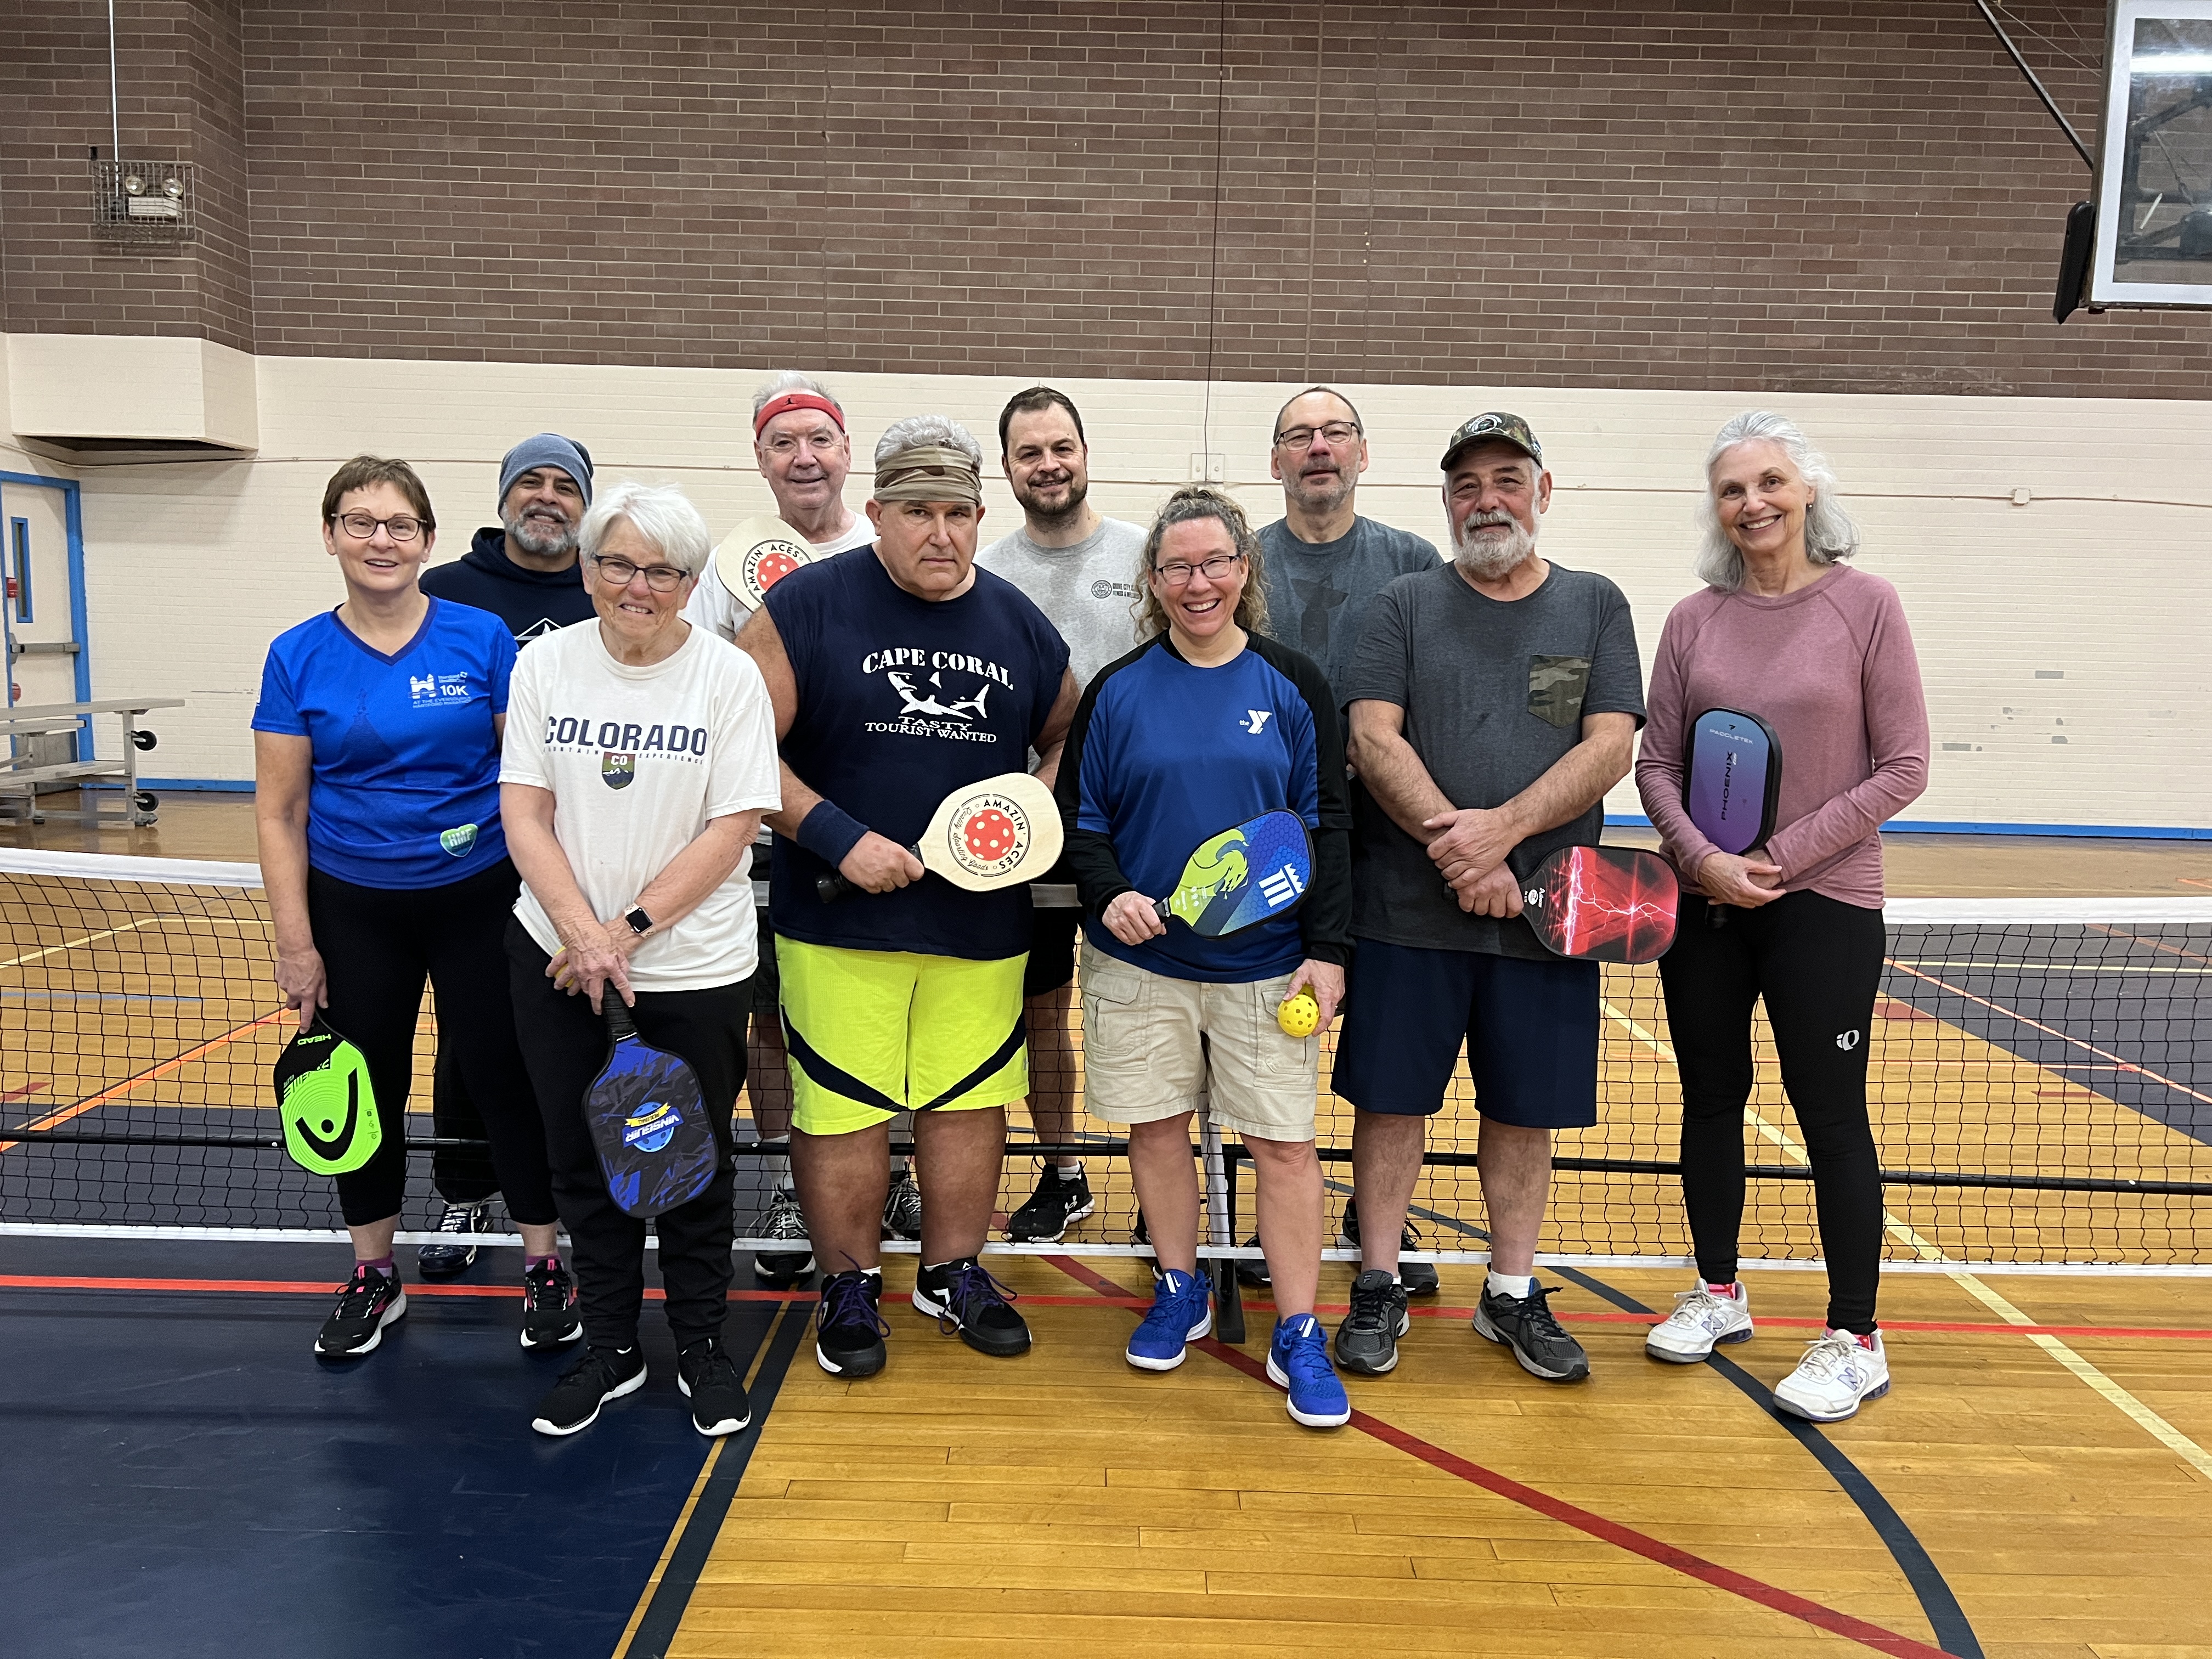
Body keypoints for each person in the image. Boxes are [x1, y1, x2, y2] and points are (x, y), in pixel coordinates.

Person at [736, 415, 1076, 1380]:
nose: (942, 534)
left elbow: (1070, 729)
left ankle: (952, 1271)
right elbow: (743, 753)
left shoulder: (1017, 622)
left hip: (980, 922)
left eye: (960, 513)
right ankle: (849, 1284)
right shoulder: (804, 607)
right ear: (876, 514)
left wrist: (1030, 809)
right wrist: (841, 838)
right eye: (919, 513)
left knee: (969, 1106)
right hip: (840, 916)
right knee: (840, 1110)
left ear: (982, 516)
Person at [1333, 413, 1644, 1384]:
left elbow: (1609, 748)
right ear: (1445, 503)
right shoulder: (1400, 604)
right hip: (1404, 915)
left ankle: (1510, 1292)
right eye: (1467, 486)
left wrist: (1499, 837)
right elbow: (1373, 740)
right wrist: (1463, 856)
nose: (1488, 501)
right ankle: (1378, 1281)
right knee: (1390, 1107)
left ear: (1542, 493)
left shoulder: (1595, 604)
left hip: (1552, 918)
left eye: (1508, 480)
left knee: (1524, 1112)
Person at [1635, 410, 1928, 1423]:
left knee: (1830, 1116)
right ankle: (1718, 1292)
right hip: (1711, 909)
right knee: (1711, 1099)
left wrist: (1779, 859)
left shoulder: (1867, 606)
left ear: (1807, 492)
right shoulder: (1693, 620)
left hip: (1825, 909)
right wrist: (1708, 863)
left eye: (1769, 483)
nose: (1751, 503)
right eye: (1731, 490)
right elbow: (1655, 762)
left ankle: (1857, 1336)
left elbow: (1905, 766)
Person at [252, 455, 573, 1361]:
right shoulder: (298, 654)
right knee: (365, 1094)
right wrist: (296, 943)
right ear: (330, 535)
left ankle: (545, 1266)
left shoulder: (480, 640)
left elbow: (529, 782)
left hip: (481, 897)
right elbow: (280, 813)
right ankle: (374, 1276)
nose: (380, 541)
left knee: (504, 1083)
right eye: (360, 522)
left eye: (399, 525)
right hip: (355, 907)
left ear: (428, 541)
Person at [1059, 486, 1353, 1428]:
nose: (1198, 583)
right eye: (1177, 567)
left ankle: (1299, 1329)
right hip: (1139, 966)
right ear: (1153, 580)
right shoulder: (1118, 690)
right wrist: (1113, 896)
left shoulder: (1293, 683)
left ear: (1244, 571)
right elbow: (1085, 824)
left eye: (1215, 563)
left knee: (1286, 1148)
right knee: (1156, 1133)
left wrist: (1330, 951)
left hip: (1267, 967)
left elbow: (1325, 824)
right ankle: (1178, 1287)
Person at [501, 480, 782, 1438]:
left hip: (693, 969)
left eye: (661, 571)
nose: (637, 586)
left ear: (689, 584)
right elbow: (524, 811)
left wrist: (621, 932)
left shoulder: (727, 677)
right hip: (556, 961)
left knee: (688, 1166)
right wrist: (580, 934)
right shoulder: (546, 668)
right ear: (588, 571)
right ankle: (612, 1348)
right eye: (618, 564)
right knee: (582, 1163)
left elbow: (734, 824)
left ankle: (704, 1346)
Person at [681, 373, 919, 1285]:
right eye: (784, 443)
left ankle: (894, 1171)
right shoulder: (724, 570)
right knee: (775, 1025)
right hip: (765, 845)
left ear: (846, 454)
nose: (803, 456)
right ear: (761, 460)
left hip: (885, 839)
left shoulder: (891, 546)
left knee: (890, 1014)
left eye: (819, 438)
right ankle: (791, 1177)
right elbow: (700, 695)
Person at [1255, 385, 1443, 1290]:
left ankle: (1381, 1224)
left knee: (1382, 1047)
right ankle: (1237, 1207)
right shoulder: (1243, 563)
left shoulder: (1412, 562)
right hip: (1265, 839)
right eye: (1299, 436)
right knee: (1249, 1024)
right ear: (1278, 461)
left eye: (1335, 433)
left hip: (1387, 845)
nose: (1318, 447)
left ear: (1363, 454)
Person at [413, 432, 599, 1279]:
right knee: (475, 1038)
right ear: (503, 498)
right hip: (480, 859)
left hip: (593, 856)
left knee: (583, 1033)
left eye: (566, 485)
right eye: (532, 482)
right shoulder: (447, 592)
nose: (549, 498)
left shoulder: (611, 585)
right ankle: (464, 1187)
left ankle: (582, 1193)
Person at [975, 386, 1146, 1244]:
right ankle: (1063, 1170)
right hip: (1025, 826)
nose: (1048, 464)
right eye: (1029, 452)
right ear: (1007, 469)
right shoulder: (987, 569)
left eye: (1061, 448)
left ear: (1085, 454)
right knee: (1041, 1010)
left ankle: (1170, 1193)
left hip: (1139, 826)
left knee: (1152, 1007)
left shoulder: (1144, 555)